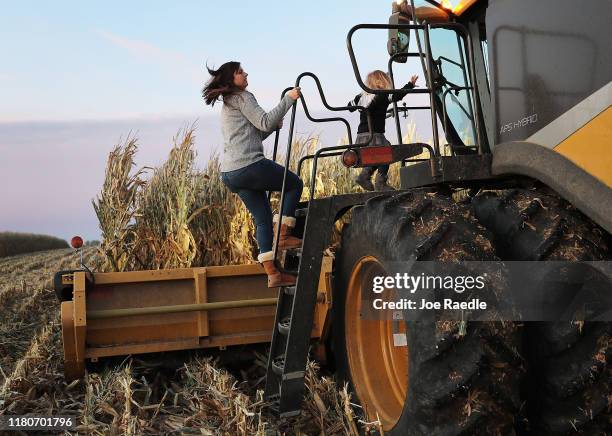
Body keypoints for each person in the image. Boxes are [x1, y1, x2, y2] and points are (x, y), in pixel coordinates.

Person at [202, 61, 303, 287]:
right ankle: (284, 236)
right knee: (294, 184)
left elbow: (255, 135)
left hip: (231, 173)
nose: (246, 73)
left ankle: (273, 274)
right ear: (232, 79)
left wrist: (271, 128)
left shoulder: (229, 103)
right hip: (249, 166)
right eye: (240, 72)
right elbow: (265, 121)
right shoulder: (243, 97)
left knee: (263, 219)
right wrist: (289, 98)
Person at [348, 70, 418, 191]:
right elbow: (397, 95)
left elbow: (350, 107)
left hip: (362, 136)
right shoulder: (382, 95)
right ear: (380, 82)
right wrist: (410, 85)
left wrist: (357, 104)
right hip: (375, 135)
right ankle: (380, 182)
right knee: (387, 152)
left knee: (376, 155)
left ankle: (364, 176)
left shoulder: (361, 96)